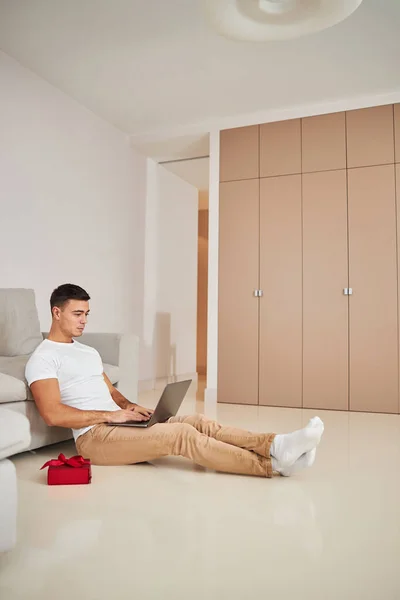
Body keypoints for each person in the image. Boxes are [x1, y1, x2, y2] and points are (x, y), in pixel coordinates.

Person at [26, 284, 324, 478]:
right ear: (56, 312)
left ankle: (275, 443)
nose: (84, 321)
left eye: (87, 314)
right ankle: (271, 463)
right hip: (94, 439)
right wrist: (110, 415)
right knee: (180, 435)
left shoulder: (87, 351)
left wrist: (133, 408)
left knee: (197, 420)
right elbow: (52, 414)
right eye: (77, 314)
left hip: (120, 424)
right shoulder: (43, 357)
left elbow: (111, 392)